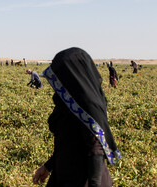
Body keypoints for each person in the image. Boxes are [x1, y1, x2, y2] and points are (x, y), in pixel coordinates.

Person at [33, 48, 121, 186]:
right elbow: (69, 143)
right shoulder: (66, 103)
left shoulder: (88, 107)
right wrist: (48, 166)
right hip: (64, 174)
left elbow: (96, 152)